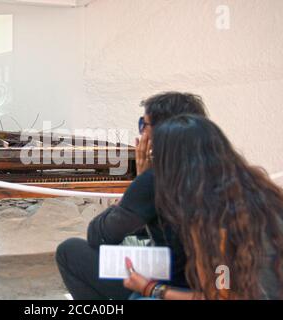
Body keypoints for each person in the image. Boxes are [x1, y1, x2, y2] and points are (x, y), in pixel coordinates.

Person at [123, 115, 283, 299]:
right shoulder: (255, 192)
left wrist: (151, 288)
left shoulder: (211, 218)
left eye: (156, 158)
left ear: (172, 168)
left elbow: (218, 296)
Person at [56, 92, 208, 300]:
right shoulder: (228, 177)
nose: (142, 133)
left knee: (69, 251)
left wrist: (139, 183)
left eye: (144, 125)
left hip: (173, 289)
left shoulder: (159, 179)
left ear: (165, 132)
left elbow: (99, 236)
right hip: (208, 284)